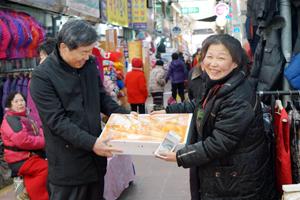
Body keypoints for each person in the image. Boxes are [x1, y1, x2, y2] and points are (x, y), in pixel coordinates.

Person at [153, 34, 276, 200]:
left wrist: (181, 156)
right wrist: (168, 111)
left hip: (236, 182)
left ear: (235, 62)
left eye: (221, 58)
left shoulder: (238, 97)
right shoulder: (219, 84)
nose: (213, 63)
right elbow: (200, 105)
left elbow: (219, 143)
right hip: (225, 175)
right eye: (209, 57)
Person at [30, 19, 130, 200]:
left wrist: (127, 117)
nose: (87, 56)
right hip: (68, 168)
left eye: (90, 51)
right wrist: (92, 143)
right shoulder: (42, 77)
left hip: (96, 162)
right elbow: (57, 121)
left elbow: (102, 98)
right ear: (63, 47)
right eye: (83, 52)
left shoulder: (89, 65)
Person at [0, 92, 48, 200]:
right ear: (10, 105)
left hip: (29, 155)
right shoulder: (11, 120)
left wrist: (45, 137)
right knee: (47, 168)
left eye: (22, 100)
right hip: (19, 159)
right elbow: (23, 141)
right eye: (16, 101)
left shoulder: (26, 117)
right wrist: (45, 141)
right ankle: (28, 194)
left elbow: (38, 130)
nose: (20, 103)